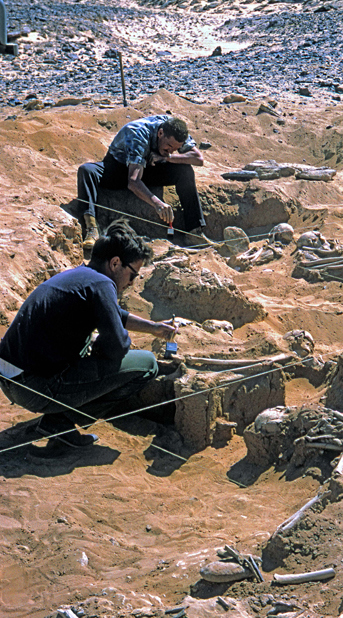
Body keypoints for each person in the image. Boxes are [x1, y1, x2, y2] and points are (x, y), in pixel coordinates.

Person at [0, 219, 176, 448]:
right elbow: (117, 347)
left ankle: (60, 415)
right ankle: (61, 420)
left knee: (90, 341)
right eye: (133, 274)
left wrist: (153, 328)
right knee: (148, 364)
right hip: (34, 388)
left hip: (11, 380)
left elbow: (112, 313)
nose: (132, 283)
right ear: (115, 263)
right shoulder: (103, 285)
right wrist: (105, 344)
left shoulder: (82, 277)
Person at [77, 115, 207, 247]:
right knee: (86, 170)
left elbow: (198, 159)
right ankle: (91, 228)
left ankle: (194, 232)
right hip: (118, 168)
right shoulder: (138, 133)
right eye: (168, 146)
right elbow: (133, 181)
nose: (170, 150)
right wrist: (157, 203)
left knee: (185, 171)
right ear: (160, 133)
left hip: (149, 167)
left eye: (175, 148)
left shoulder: (174, 130)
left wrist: (168, 157)